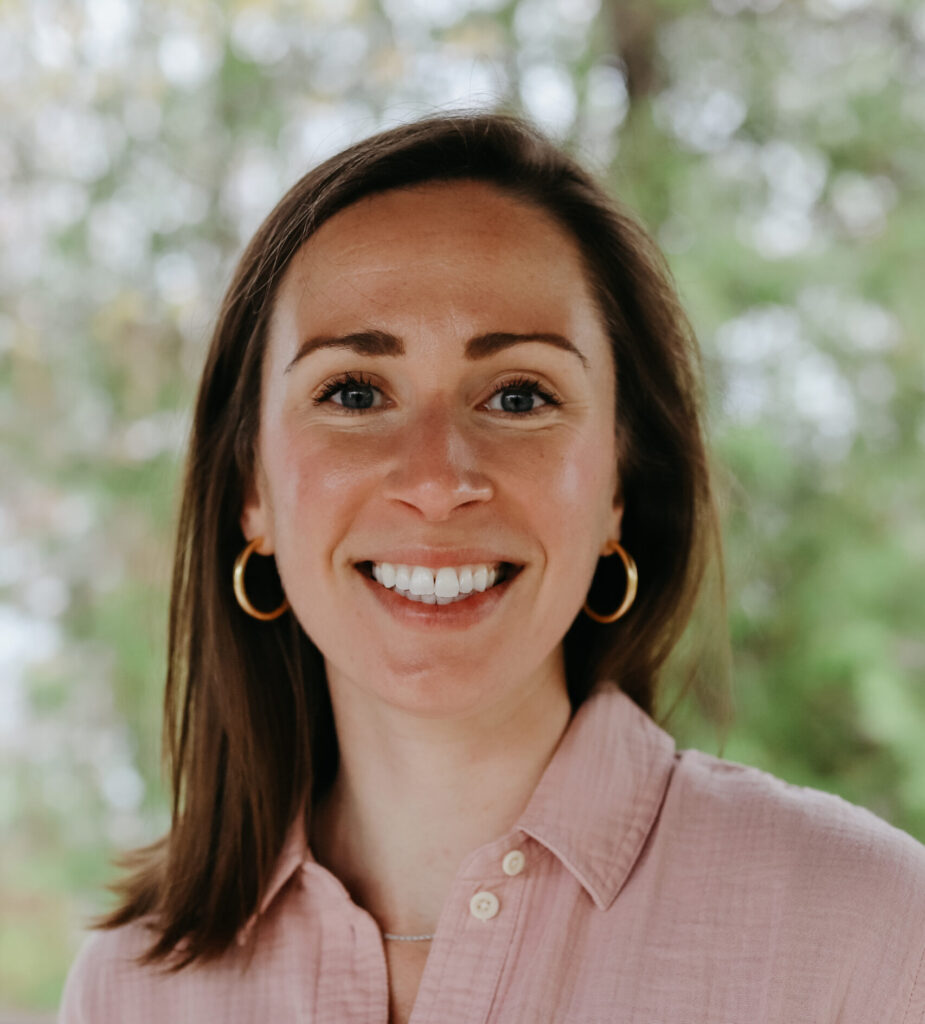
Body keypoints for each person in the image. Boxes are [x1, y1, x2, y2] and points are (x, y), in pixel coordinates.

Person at [59, 112, 925, 1024]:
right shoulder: (134, 987)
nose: (437, 481)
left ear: (620, 486)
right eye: (353, 393)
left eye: (519, 396)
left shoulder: (871, 936)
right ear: (252, 490)